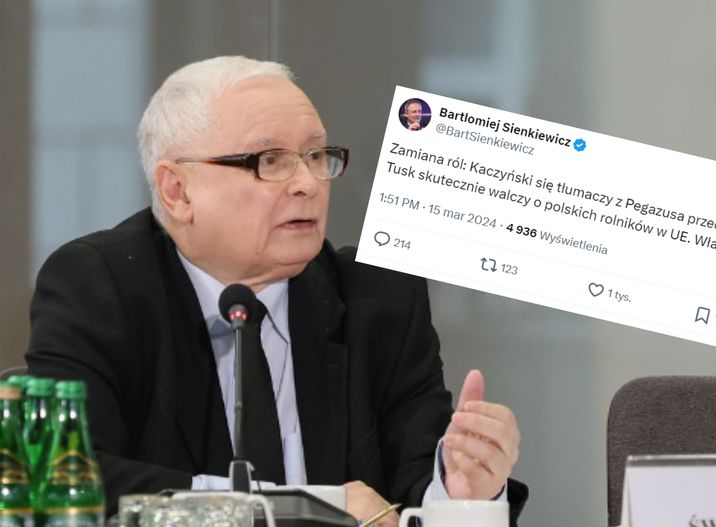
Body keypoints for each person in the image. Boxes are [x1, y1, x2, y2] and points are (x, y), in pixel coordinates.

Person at [25, 56, 526, 525]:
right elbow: (62, 482)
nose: (307, 183)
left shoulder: (379, 298)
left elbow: (416, 491)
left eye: (316, 155)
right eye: (270, 160)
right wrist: (307, 510)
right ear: (178, 191)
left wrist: (460, 493)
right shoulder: (99, 287)